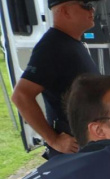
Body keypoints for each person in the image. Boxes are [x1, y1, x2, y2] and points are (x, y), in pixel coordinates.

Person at [11, 0, 99, 158]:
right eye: (85, 5)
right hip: (74, 148)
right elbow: (21, 95)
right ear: (65, 11)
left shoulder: (72, 43)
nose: (92, 9)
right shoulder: (51, 46)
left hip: (89, 141)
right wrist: (53, 140)